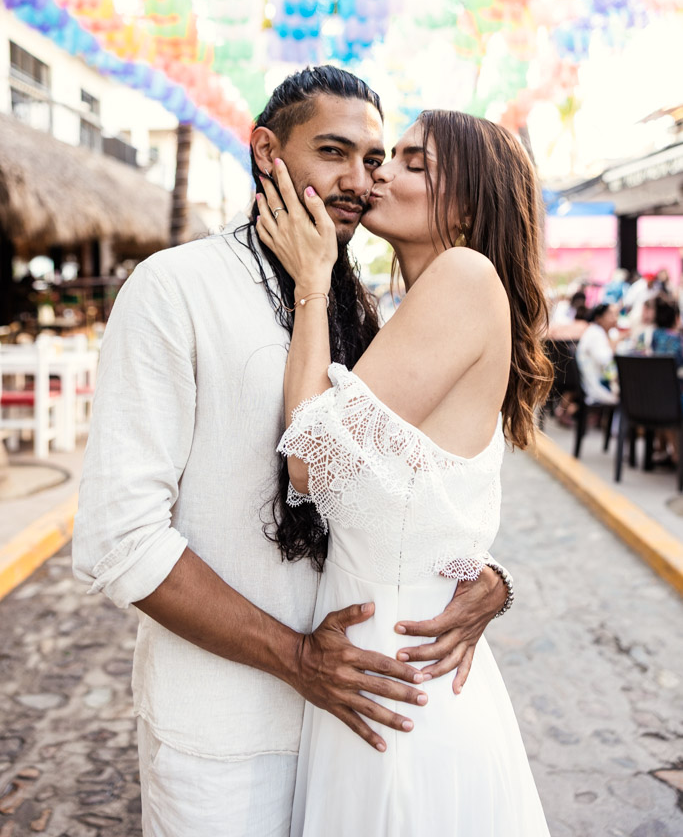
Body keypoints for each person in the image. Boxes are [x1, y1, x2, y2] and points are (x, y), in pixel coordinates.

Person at [72, 67, 510, 836]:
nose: (358, 180)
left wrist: (490, 580)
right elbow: (120, 537)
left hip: (355, 730)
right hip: (226, 742)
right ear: (267, 151)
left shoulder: (368, 314)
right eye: (333, 152)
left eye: (375, 160)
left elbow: (410, 484)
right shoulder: (176, 288)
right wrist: (298, 658)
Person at [256, 110, 553, 835]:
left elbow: (308, 457)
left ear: (469, 205)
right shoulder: (416, 304)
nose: (380, 172)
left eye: (414, 164)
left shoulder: (463, 274)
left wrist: (311, 283)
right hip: (385, 668)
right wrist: (493, 578)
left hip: (394, 676)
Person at [575, 303, 620, 406]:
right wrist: (616, 342)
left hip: (600, 382)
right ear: (599, 318)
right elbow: (605, 360)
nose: (615, 318)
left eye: (616, 314)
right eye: (610, 314)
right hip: (596, 387)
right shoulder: (595, 334)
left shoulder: (608, 333)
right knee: (631, 396)